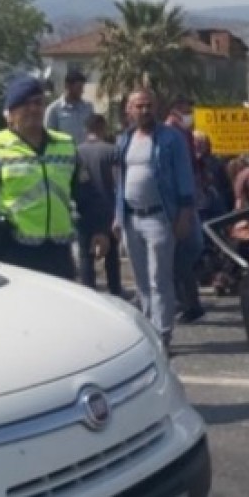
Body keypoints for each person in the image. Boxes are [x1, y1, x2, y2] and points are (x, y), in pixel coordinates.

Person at [0, 76, 106, 278]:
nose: (33, 109)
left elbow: (87, 193)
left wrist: (99, 228)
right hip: (13, 251)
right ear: (10, 114)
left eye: (38, 103)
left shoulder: (65, 145)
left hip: (58, 253)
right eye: (24, 104)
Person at [113, 88, 198, 344]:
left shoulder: (171, 138)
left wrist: (184, 214)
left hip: (160, 218)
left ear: (156, 107)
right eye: (139, 106)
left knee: (159, 278)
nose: (145, 110)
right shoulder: (124, 140)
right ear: (129, 110)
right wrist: (117, 216)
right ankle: (149, 330)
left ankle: (162, 333)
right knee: (141, 280)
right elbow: (120, 181)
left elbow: (185, 175)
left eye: (149, 105)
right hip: (131, 219)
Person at [164, 96, 205, 324]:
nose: (191, 112)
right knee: (184, 249)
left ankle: (188, 301)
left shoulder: (183, 131)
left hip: (189, 198)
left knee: (189, 249)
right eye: (188, 108)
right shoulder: (172, 131)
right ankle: (185, 301)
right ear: (178, 108)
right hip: (179, 201)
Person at [76, 113, 122, 297]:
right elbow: (119, 181)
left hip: (84, 210)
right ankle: (115, 291)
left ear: (85, 129)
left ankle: (89, 293)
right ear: (103, 128)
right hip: (108, 208)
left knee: (85, 255)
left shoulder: (76, 152)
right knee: (112, 255)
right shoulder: (112, 151)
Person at [194, 130, 234, 221]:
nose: (198, 146)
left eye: (201, 143)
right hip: (200, 208)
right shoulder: (189, 163)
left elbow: (225, 185)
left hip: (217, 206)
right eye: (196, 143)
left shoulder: (216, 162)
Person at [45, 68, 94, 140]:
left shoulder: (88, 107)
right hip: (63, 147)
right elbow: (48, 137)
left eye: (82, 88)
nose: (82, 91)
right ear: (68, 86)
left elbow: (94, 132)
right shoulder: (54, 110)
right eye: (79, 88)